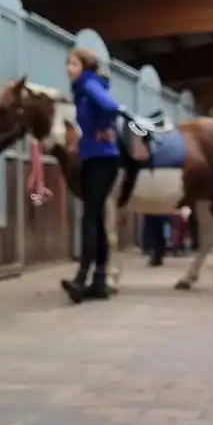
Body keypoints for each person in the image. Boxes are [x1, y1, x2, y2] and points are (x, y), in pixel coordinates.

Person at [61, 48, 128, 303]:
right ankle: (99, 281)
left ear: (85, 67)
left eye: (74, 63)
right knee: (96, 220)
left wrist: (102, 130)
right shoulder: (82, 90)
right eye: (68, 63)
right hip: (93, 158)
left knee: (89, 218)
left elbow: (111, 107)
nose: (69, 68)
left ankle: (81, 278)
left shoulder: (88, 85)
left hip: (103, 161)